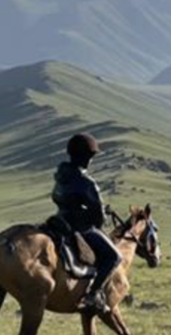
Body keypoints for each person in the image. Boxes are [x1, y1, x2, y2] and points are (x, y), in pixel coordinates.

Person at [51, 132, 121, 313]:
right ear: (87, 157)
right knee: (114, 257)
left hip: (59, 220)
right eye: (91, 157)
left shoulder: (60, 174)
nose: (91, 161)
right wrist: (99, 218)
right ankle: (93, 295)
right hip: (80, 228)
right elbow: (98, 216)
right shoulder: (86, 181)